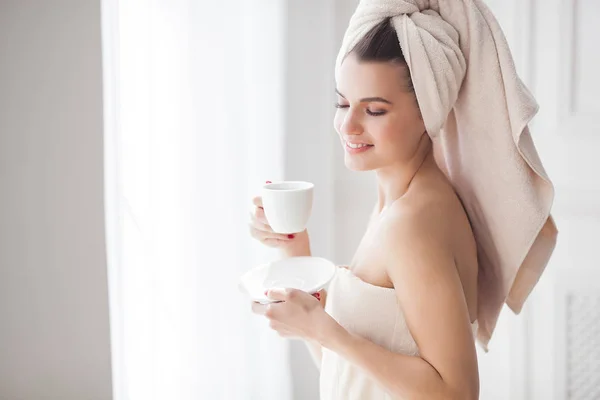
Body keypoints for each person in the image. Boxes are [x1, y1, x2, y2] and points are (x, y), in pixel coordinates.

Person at [248, 1, 557, 399]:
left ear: (427, 112)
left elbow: (457, 392)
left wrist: (327, 332)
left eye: (374, 110)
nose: (348, 124)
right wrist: (293, 247)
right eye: (343, 102)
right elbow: (346, 373)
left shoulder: (410, 224)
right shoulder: (395, 204)